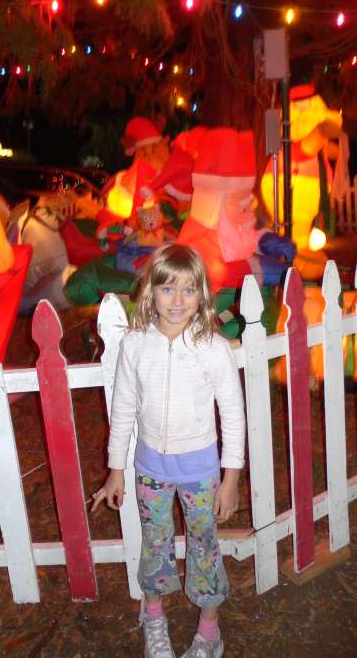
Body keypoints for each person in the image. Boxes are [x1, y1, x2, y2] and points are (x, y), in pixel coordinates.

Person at [92, 243, 245, 658]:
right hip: (150, 470)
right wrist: (116, 470)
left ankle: (209, 630)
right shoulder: (135, 345)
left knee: (203, 544)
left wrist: (230, 480)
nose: (177, 301)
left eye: (188, 289)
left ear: (202, 295)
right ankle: (154, 616)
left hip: (200, 472)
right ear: (150, 291)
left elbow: (233, 417)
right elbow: (123, 409)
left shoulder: (213, 348)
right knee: (155, 542)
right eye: (167, 289)